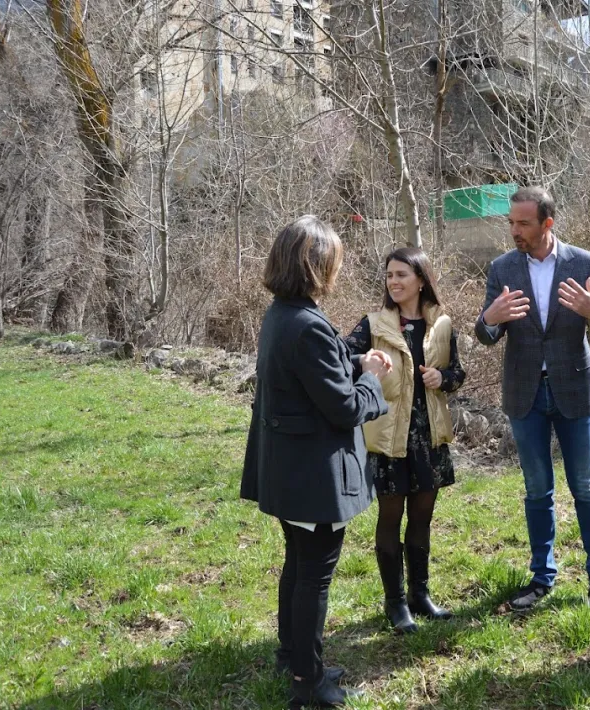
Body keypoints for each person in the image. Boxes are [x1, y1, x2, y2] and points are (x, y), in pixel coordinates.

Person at [240, 215, 392, 709]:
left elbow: (313, 370)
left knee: (299, 564)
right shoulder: (304, 325)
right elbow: (345, 407)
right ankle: (307, 682)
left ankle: (295, 655)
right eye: (334, 263)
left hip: (290, 471)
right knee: (313, 576)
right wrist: (370, 376)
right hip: (311, 476)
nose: (337, 271)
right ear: (316, 266)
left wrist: (351, 359)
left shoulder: (283, 313)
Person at [475, 186, 590, 611]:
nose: (514, 230)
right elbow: (484, 334)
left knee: (584, 486)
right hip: (525, 393)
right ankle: (542, 578)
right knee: (537, 489)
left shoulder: (583, 263)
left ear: (547, 223)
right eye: (511, 222)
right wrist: (489, 319)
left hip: (574, 388)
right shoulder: (502, 268)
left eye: (523, 223)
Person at [345, 247, 465, 634]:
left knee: (423, 519)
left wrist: (442, 380)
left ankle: (420, 595)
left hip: (428, 437)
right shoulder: (373, 325)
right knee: (390, 518)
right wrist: (365, 367)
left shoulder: (442, 325)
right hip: (389, 438)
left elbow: (457, 373)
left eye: (401, 275)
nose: (393, 282)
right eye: (389, 275)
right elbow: (342, 361)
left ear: (421, 280)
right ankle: (395, 603)